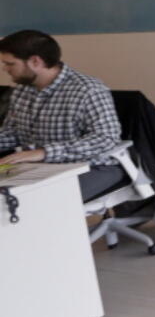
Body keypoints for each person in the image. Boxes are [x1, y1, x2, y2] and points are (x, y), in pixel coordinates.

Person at [0, 29, 125, 200]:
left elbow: (105, 139)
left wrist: (44, 152)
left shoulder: (87, 89)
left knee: (35, 200)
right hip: (39, 167)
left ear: (35, 61)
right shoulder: (23, 90)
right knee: (12, 197)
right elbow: (14, 132)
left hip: (93, 167)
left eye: (10, 64)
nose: (5, 69)